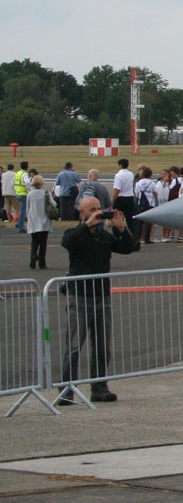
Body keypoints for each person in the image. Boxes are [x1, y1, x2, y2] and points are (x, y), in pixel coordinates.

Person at [58, 195, 136, 404]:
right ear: (82, 212)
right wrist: (87, 225)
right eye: (92, 209)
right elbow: (68, 242)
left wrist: (122, 228)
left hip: (102, 296)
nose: (97, 212)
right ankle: (66, 389)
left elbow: (130, 247)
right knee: (74, 345)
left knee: (102, 345)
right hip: (79, 296)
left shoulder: (104, 236)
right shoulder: (75, 234)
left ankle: (99, 386)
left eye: (99, 209)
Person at [25, 174, 57, 269]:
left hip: (33, 220)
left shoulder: (30, 194)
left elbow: (28, 208)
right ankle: (42, 263)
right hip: (44, 220)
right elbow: (54, 204)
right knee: (43, 242)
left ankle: (33, 256)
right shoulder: (46, 193)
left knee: (34, 241)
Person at [111, 158, 138, 245]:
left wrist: (113, 200)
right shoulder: (131, 174)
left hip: (120, 198)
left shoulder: (118, 175)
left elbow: (117, 189)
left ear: (120, 165)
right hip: (130, 197)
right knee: (130, 221)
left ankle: (116, 237)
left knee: (117, 218)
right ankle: (134, 239)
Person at [14, 160, 30, 233]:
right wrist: (29, 189)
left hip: (17, 193)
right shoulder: (24, 174)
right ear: (26, 167)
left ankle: (18, 223)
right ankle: (21, 227)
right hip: (23, 194)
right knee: (23, 211)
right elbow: (27, 183)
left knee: (21, 210)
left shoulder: (17, 173)